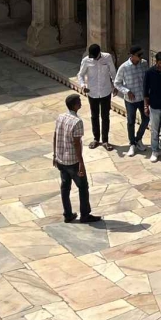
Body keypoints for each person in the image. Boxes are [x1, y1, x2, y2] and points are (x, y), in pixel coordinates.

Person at [52, 93, 99, 223]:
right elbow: (76, 143)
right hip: (72, 161)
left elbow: (55, 136)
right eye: (79, 101)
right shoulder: (77, 122)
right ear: (74, 105)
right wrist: (81, 163)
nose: (81, 103)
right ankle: (85, 215)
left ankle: (67, 214)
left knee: (65, 187)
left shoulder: (60, 117)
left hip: (61, 160)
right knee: (83, 187)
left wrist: (55, 155)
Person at [77, 43, 117, 150]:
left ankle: (105, 140)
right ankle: (96, 138)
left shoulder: (107, 57)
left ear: (99, 53)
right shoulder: (86, 60)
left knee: (105, 116)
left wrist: (115, 86)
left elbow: (113, 72)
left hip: (105, 91)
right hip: (92, 92)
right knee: (94, 116)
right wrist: (82, 85)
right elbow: (80, 74)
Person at [113, 46, 148, 156]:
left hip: (142, 98)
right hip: (130, 100)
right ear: (132, 56)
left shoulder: (144, 64)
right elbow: (117, 83)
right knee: (131, 122)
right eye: (139, 55)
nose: (141, 57)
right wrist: (127, 91)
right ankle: (132, 143)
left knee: (146, 119)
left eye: (141, 54)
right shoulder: (124, 67)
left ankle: (138, 139)